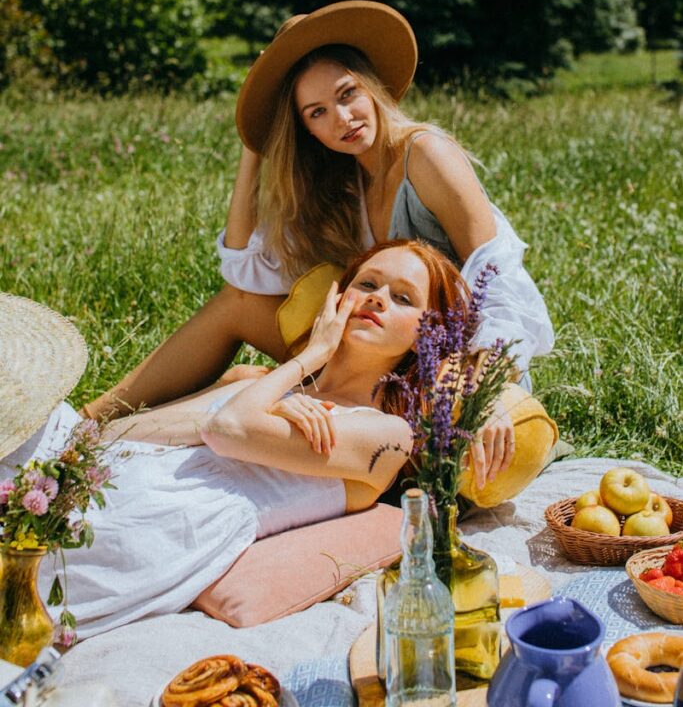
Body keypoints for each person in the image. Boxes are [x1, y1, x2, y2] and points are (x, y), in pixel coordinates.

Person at [83, 0, 554, 495]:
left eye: (348, 94)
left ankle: (240, 431)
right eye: (318, 113)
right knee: (238, 313)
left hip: (459, 363)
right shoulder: (346, 180)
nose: (343, 119)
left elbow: (498, 274)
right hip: (374, 355)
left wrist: (492, 387)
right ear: (306, 129)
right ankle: (88, 423)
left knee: (248, 381)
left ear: (370, 86)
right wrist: (255, 142)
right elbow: (244, 269)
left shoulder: (426, 154)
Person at [3, 242, 468, 638]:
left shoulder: (386, 435)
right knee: (27, 413)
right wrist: (268, 395)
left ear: (426, 336)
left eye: (403, 297)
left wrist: (311, 357)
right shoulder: (258, 382)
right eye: (367, 284)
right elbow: (119, 432)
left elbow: (227, 430)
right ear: (338, 298)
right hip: (104, 476)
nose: (378, 298)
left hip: (157, 525)